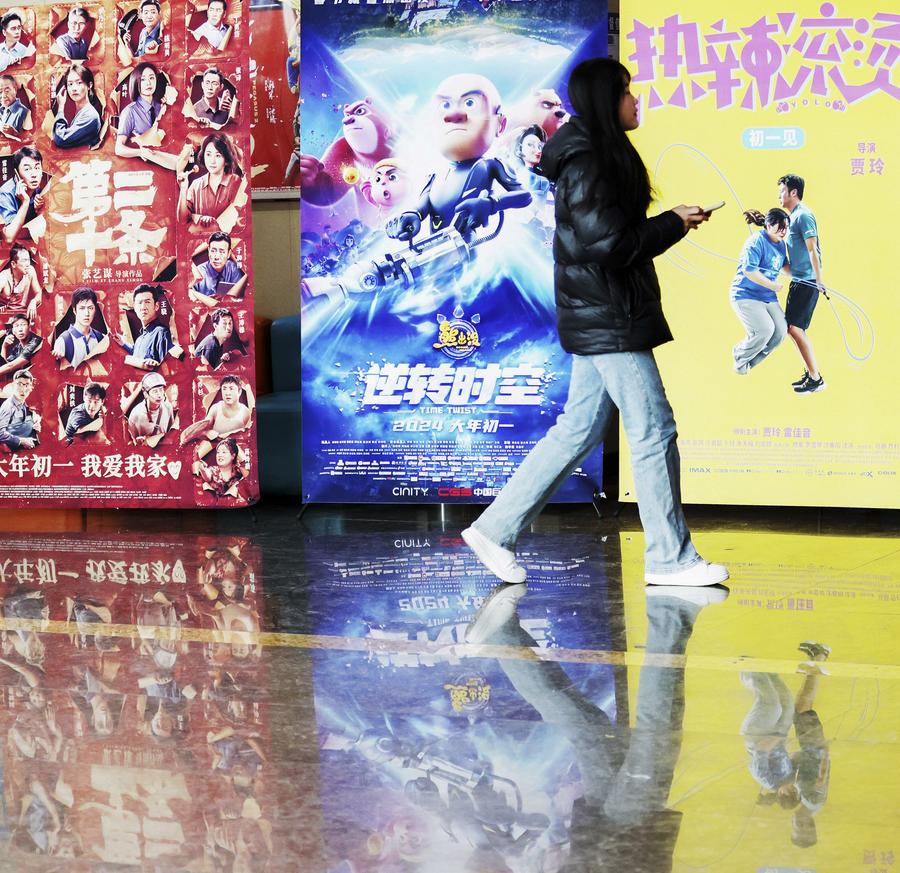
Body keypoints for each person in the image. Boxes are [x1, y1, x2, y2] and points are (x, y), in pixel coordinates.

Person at [461, 58, 727, 589]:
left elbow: (604, 238)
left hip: (601, 311)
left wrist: (671, 221)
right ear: (608, 100)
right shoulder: (589, 162)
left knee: (578, 430)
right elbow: (608, 245)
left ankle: (494, 530)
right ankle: (670, 558)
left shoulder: (595, 155)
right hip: (608, 315)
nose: (636, 100)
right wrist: (674, 222)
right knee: (654, 430)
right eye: (628, 92)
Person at [745, 174, 826, 394]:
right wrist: (761, 221)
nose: (779, 195)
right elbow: (781, 231)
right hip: (798, 280)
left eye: (782, 191)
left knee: (794, 328)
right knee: (793, 329)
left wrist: (818, 280)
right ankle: (812, 375)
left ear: (793, 192)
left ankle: (816, 378)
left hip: (807, 281)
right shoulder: (792, 218)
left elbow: (812, 249)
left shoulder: (804, 216)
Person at [730, 207, 790, 375]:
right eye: (780, 227)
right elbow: (749, 271)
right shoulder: (756, 241)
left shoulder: (781, 244)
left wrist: (806, 274)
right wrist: (772, 285)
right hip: (745, 294)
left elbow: (785, 268)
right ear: (769, 225)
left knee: (779, 333)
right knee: (765, 330)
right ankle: (740, 355)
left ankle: (749, 363)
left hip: (767, 297)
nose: (783, 231)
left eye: (786, 227)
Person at [177, 132, 242, 229]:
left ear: (227, 159)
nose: (212, 161)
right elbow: (182, 220)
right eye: (208, 154)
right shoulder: (196, 184)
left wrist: (200, 219)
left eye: (218, 155)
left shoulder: (236, 182)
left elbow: (237, 216)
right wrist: (183, 189)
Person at [180, 373, 250, 445]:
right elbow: (204, 427)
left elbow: (248, 435)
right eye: (224, 389)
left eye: (231, 389)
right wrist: (207, 433)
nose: (227, 393)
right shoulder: (216, 408)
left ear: (239, 392)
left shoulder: (245, 412)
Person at [114, 282, 172, 368]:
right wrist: (123, 343)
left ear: (156, 306)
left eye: (147, 302)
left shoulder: (161, 333)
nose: (143, 307)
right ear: (135, 308)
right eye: (139, 303)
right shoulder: (140, 338)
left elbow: (167, 368)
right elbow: (137, 353)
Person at [0, 146, 46, 243]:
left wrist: (39, 210)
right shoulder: (5, 193)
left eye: (37, 167)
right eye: (27, 169)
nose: (34, 174)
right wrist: (25, 202)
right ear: (17, 173)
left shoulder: (38, 189)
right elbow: (9, 237)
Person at [52, 63, 103, 149]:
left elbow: (61, 140)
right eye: (70, 84)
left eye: (79, 83)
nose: (74, 88)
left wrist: (61, 107)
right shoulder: (82, 111)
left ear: (89, 85)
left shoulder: (90, 116)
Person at [52, 286, 104, 368]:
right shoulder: (63, 341)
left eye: (90, 308)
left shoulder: (101, 338)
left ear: (95, 309)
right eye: (82, 308)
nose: (87, 313)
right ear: (74, 310)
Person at [191, 231, 247, 300]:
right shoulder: (199, 271)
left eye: (222, 252)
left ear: (229, 253)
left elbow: (240, 296)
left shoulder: (234, 269)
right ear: (208, 251)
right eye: (213, 251)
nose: (216, 257)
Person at [126, 370, 175, 441]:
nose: (159, 395)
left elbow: (171, 433)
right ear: (146, 394)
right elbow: (130, 440)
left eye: (161, 390)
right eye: (155, 391)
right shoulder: (135, 414)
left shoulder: (168, 407)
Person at [0, 368, 39, 449]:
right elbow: (0, 434)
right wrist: (21, 441)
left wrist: (35, 424)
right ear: (13, 385)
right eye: (19, 384)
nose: (23, 389)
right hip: (13, 451)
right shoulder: (8, 406)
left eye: (26, 385)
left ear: (31, 387)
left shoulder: (24, 403)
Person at [0, 244, 40, 321]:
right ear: (13, 264)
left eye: (28, 260)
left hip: (22, 317)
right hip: (3, 319)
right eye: (24, 260)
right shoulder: (3, 277)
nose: (28, 264)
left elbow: (38, 293)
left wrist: (34, 301)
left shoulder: (30, 271)